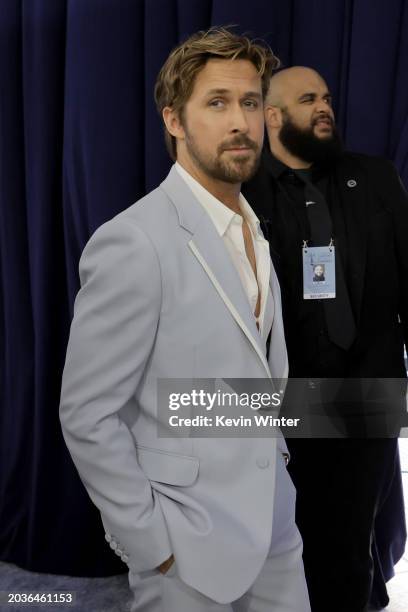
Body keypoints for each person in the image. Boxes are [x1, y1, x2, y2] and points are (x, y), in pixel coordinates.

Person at [59, 29, 311, 612]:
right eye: (217, 103)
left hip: (274, 527)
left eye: (250, 102)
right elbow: (88, 412)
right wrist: (153, 544)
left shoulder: (253, 226)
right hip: (186, 546)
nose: (241, 122)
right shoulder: (133, 241)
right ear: (174, 120)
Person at [243, 66, 408, 612]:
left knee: (352, 537)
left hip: (367, 389)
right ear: (273, 117)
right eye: (308, 98)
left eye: (328, 98)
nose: (324, 107)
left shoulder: (377, 177)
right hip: (285, 402)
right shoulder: (243, 195)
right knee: (294, 538)